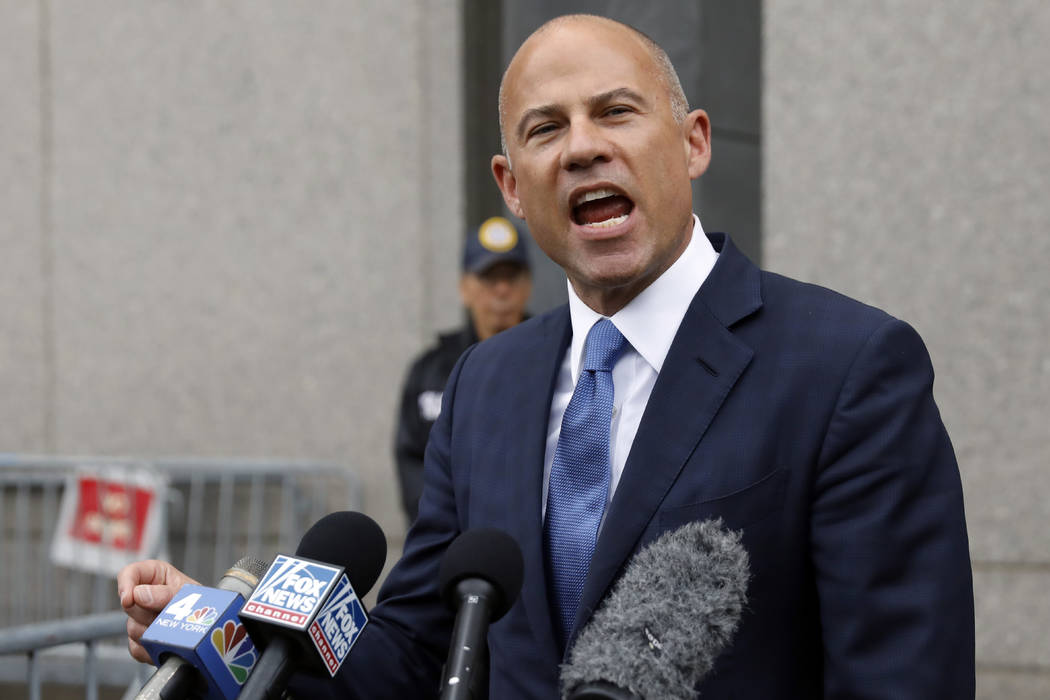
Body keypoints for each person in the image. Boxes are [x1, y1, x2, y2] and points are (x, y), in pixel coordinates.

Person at [118, 14, 975, 698]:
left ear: (694, 143)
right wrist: (232, 643)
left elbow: (901, 677)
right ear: (513, 186)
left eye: (616, 111)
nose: (581, 147)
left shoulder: (850, 369)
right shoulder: (485, 383)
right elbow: (414, 655)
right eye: (546, 128)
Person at [395, 216, 532, 523]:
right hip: (449, 544)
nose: (501, 290)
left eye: (511, 277)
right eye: (488, 278)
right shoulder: (429, 370)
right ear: (464, 288)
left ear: (528, 286)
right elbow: (413, 463)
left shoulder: (561, 358)